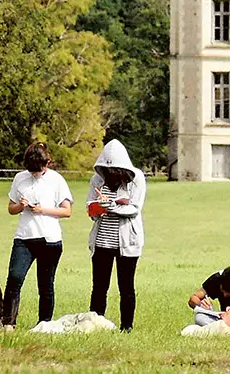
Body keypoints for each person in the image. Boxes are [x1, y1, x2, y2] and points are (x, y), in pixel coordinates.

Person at [3, 141, 73, 329]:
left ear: (47, 163)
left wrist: (42, 210)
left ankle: (44, 324)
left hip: (49, 239)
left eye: (39, 170)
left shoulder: (56, 180)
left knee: (45, 284)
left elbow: (66, 211)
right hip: (24, 237)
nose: (35, 174)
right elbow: (11, 208)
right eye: (32, 170)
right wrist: (21, 206)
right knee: (15, 278)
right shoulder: (20, 178)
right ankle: (9, 323)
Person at [86, 138, 145, 332]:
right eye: (108, 170)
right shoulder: (97, 180)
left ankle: (126, 326)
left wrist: (113, 207)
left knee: (126, 287)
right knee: (99, 286)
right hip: (102, 239)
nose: (111, 173)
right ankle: (96, 322)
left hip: (127, 242)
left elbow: (135, 209)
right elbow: (90, 208)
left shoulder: (136, 179)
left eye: (115, 170)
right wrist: (98, 208)